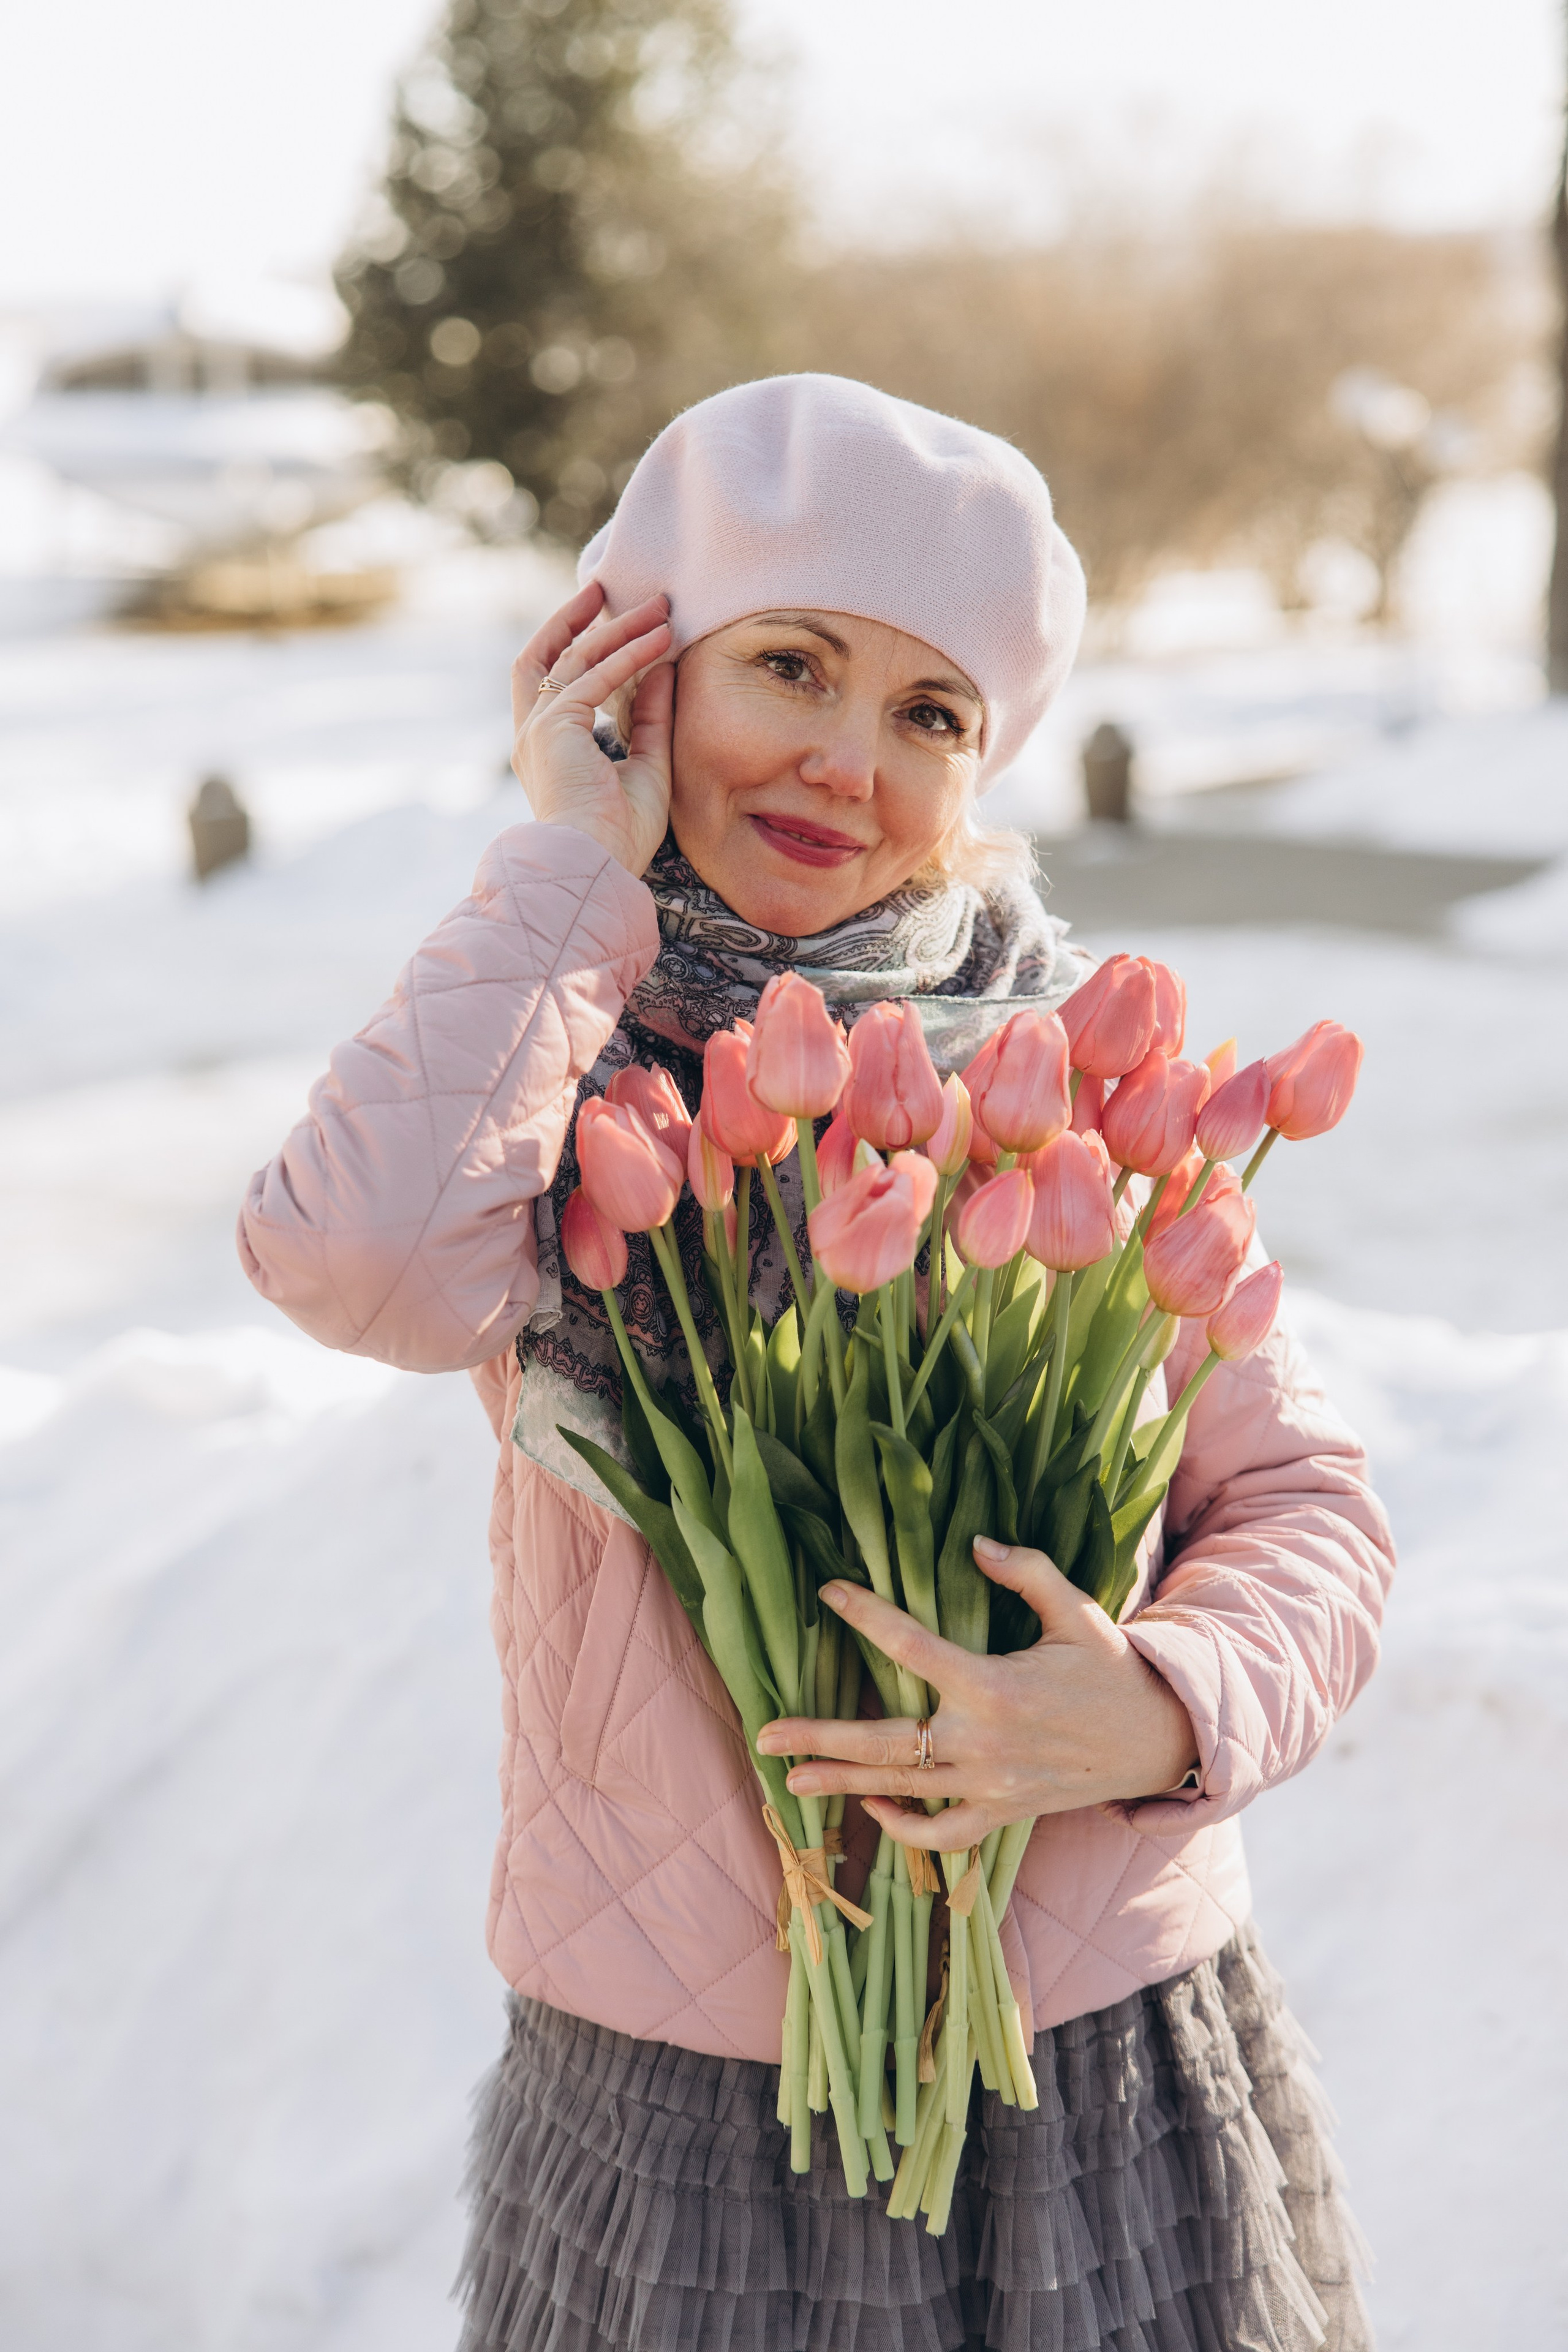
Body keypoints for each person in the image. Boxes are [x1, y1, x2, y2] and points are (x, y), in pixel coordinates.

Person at [239, 374, 1392, 2351]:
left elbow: (1306, 1508)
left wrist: (1164, 1708)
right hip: (683, 2097)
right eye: (792, 663)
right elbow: (350, 1265)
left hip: (1094, 2058)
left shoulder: (1076, 1097)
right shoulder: (552, 1059)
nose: (851, 760)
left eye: (931, 712)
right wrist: (564, 876)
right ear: (642, 667)